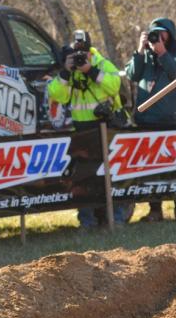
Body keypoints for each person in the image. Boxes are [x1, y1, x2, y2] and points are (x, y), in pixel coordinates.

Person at [47, 32, 129, 227]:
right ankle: (87, 221)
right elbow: (56, 94)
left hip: (105, 128)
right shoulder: (71, 69)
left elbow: (114, 85)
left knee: (111, 175)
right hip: (82, 131)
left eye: (83, 52)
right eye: (77, 52)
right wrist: (67, 71)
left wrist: (90, 70)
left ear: (90, 50)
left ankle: (116, 217)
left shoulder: (102, 64)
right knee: (83, 177)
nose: (80, 56)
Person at [126, 17, 176, 222]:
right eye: (155, 33)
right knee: (151, 169)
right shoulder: (144, 56)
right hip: (147, 121)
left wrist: (163, 54)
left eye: (163, 33)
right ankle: (155, 209)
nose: (158, 37)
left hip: (172, 120)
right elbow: (132, 75)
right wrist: (140, 50)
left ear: (170, 35)